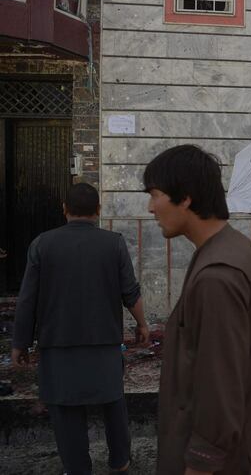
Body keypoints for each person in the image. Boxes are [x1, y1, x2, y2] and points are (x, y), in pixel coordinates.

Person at [144, 145, 251, 475]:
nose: (150, 208)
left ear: (186, 197)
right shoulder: (233, 246)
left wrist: (201, 464)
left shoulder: (217, 277)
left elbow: (219, 387)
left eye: (155, 195)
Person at [11, 182, 147, 475]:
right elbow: (131, 293)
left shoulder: (41, 244)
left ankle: (77, 468)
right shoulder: (114, 243)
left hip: (57, 347)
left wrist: (20, 343)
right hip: (105, 345)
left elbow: (27, 300)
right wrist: (143, 324)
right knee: (113, 405)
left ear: (64, 210)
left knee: (66, 411)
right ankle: (120, 462)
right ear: (98, 210)